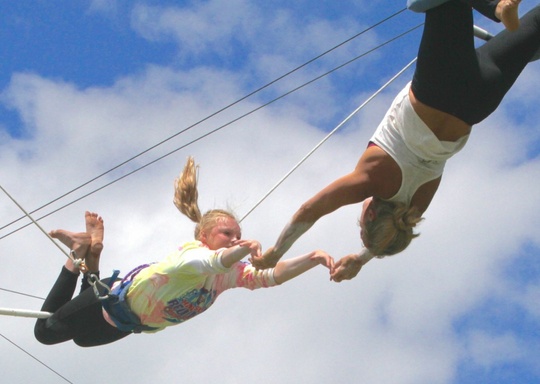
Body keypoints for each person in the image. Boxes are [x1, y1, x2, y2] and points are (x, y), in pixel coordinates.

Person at [251, 0, 538, 281]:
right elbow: (309, 210)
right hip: (438, 89)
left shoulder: (416, 206)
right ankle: (497, 8)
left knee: (535, 25)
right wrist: (276, 252)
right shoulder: (371, 180)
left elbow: (389, 236)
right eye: (361, 222)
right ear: (371, 212)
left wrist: (362, 259)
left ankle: (501, 9)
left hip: (479, 100)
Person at [34, 157, 334, 347]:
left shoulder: (228, 274)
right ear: (204, 235)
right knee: (45, 332)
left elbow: (268, 277)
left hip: (129, 323)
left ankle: (90, 249)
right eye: (227, 233)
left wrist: (314, 258)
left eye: (238, 235)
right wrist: (243, 247)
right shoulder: (191, 254)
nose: (234, 240)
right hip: (119, 299)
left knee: (82, 340)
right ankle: (78, 252)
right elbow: (212, 261)